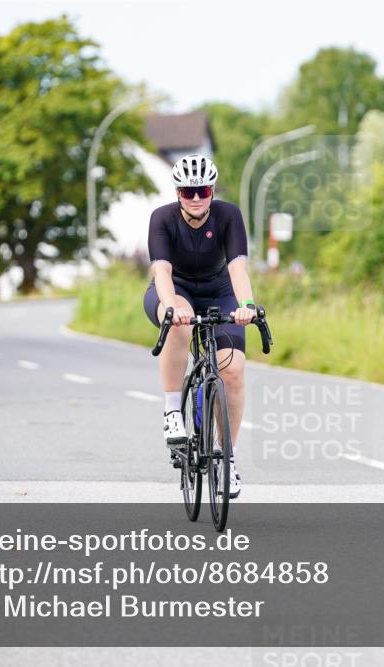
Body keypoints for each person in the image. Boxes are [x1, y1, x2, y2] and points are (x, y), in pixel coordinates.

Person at [143, 154, 257, 499]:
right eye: (188, 191)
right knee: (178, 321)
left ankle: (228, 459)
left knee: (233, 371)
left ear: (212, 191)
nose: (196, 198)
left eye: (203, 190)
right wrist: (171, 306)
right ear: (178, 193)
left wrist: (247, 307)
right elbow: (161, 271)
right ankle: (171, 409)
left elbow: (237, 269)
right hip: (174, 288)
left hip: (219, 290)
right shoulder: (161, 218)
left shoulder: (228, 215)